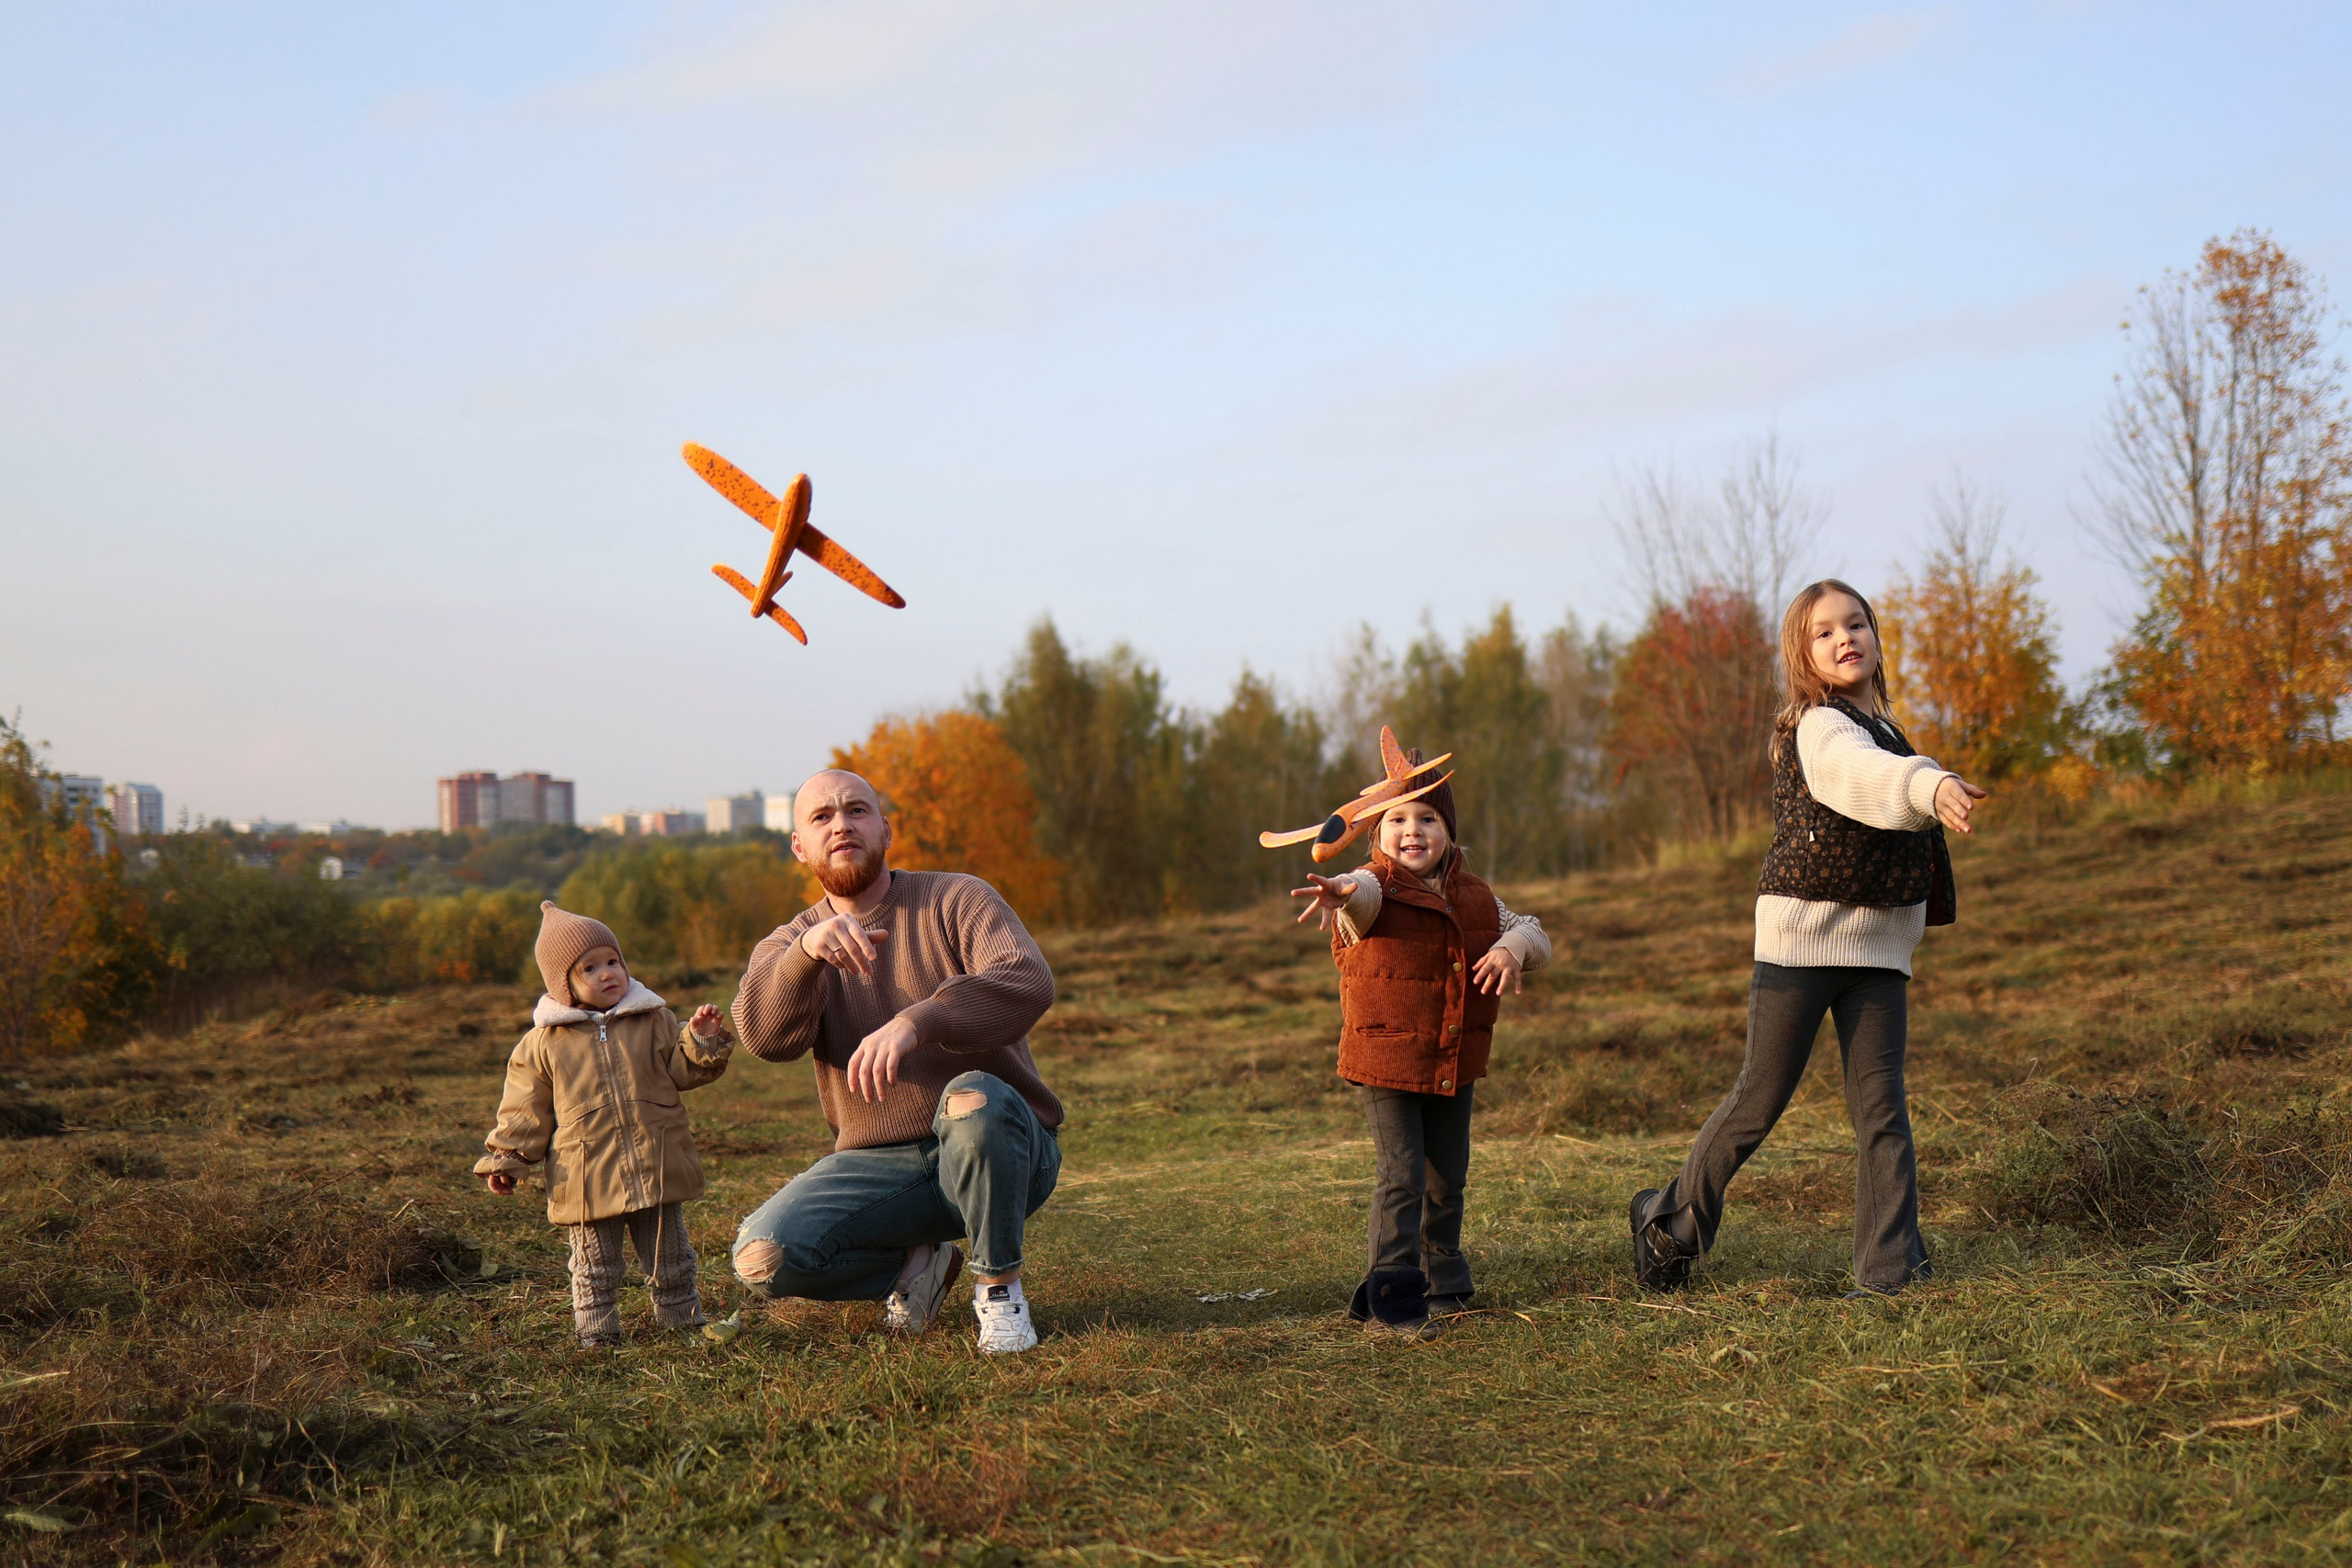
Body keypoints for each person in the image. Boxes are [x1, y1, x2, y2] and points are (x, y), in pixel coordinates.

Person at [1628, 579, 1989, 1298]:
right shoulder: (1820, 727)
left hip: (1877, 954)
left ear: (1878, 640)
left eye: (1856, 624)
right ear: (1803, 652)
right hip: (1803, 944)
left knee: (1882, 1109)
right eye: (1824, 631)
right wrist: (1929, 784)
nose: (1844, 638)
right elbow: (1861, 779)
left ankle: (1888, 1273)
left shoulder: (1889, 730)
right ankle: (1669, 1223)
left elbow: (1884, 763)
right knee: (1758, 1103)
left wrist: (1923, 775)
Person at [728, 770, 1062, 1355]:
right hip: (882, 1166)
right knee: (762, 1257)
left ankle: (1000, 1291)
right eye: (821, 817)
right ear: (799, 847)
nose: (841, 825)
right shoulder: (788, 945)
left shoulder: (957, 898)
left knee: (971, 1097)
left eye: (856, 810)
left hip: (1002, 1150)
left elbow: (1028, 981)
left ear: (885, 829)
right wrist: (806, 957)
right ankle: (917, 1268)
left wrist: (919, 1020)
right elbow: (763, 1036)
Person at [1293, 750, 1551, 1337]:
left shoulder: (1478, 896)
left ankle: (1446, 1279)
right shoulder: (1372, 888)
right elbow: (1360, 896)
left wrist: (1514, 949)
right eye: (1398, 820)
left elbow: (1534, 932)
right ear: (1378, 834)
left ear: (1449, 830)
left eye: (1428, 819)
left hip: (1452, 1057)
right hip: (1386, 1058)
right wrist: (1339, 890)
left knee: (1446, 1173)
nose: (1413, 830)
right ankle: (1393, 1296)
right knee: (1402, 1173)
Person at [476, 902, 734, 1348]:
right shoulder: (542, 1044)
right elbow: (524, 1109)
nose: (607, 973)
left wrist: (701, 1039)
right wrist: (507, 1158)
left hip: (656, 1159)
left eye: (613, 961)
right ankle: (597, 1334)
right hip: (586, 1172)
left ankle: (682, 1321)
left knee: (669, 1254)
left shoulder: (653, 1020)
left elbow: (684, 1072)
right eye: (590, 968)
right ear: (563, 984)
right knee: (595, 1263)